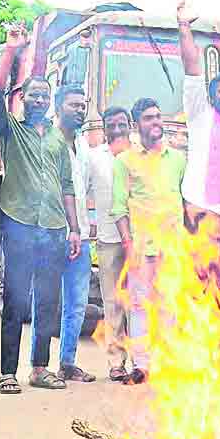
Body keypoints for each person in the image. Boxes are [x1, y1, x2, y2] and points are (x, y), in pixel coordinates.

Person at [0, 23, 82, 394]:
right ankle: (8, 372)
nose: (40, 100)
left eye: (45, 95)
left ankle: (40, 368)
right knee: (14, 299)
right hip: (19, 225)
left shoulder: (59, 139)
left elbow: (67, 186)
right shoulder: (10, 130)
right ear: (23, 99)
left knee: (48, 301)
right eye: (34, 95)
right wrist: (11, 51)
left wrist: (75, 229)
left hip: (54, 228)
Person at [111, 97, 189, 385]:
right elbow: (119, 208)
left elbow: (184, 201)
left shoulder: (178, 160)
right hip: (141, 247)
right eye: (148, 118)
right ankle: (142, 365)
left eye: (157, 116)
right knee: (140, 307)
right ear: (135, 125)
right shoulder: (124, 162)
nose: (155, 122)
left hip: (172, 245)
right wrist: (128, 245)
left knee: (169, 305)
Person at [176, 0, 220, 279]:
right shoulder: (199, 116)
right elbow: (192, 69)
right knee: (194, 290)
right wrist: (184, 27)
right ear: (213, 96)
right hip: (197, 217)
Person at [54, 84, 98, 384]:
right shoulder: (46, 141)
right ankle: (38, 365)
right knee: (44, 301)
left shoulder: (85, 148)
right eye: (74, 105)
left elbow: (90, 189)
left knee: (77, 301)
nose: (80, 110)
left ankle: (67, 363)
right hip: (51, 234)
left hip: (79, 235)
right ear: (58, 108)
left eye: (83, 105)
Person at [88, 106, 133, 381]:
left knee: (140, 303)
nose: (117, 130)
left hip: (142, 242)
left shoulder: (141, 154)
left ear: (130, 125)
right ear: (104, 128)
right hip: (108, 240)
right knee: (113, 303)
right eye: (111, 125)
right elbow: (80, 192)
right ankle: (116, 362)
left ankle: (143, 361)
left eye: (121, 124)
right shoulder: (94, 158)